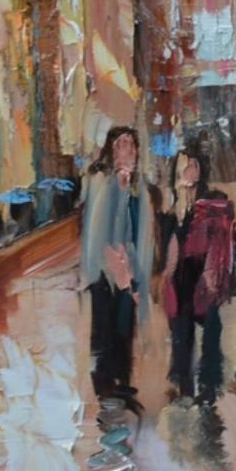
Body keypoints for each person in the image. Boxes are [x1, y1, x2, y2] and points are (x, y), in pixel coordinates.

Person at [79, 125, 157, 404]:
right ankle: (104, 382)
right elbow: (98, 229)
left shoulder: (140, 190)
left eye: (131, 146)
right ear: (112, 151)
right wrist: (115, 268)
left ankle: (122, 379)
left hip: (130, 267)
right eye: (122, 144)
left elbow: (143, 234)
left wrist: (135, 273)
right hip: (104, 268)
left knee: (125, 324)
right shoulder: (102, 181)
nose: (128, 150)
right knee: (105, 324)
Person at [161, 143, 236, 405]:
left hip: (207, 271)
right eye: (184, 166)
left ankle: (209, 386)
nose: (189, 171)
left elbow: (226, 237)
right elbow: (168, 245)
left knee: (212, 329)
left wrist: (215, 271)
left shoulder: (213, 199)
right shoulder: (172, 208)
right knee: (182, 329)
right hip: (181, 275)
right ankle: (184, 385)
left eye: (193, 165)